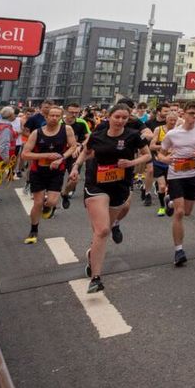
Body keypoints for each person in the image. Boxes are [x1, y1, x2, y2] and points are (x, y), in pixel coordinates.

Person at [70, 104, 150, 293]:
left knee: (104, 230)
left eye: (124, 117)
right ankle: (96, 278)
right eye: (117, 117)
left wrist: (131, 162)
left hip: (120, 185)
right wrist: (75, 167)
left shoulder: (132, 136)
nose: (120, 120)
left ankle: (93, 253)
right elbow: (86, 153)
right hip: (96, 184)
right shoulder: (98, 134)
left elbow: (147, 156)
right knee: (103, 230)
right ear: (109, 116)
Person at [158, 101, 195, 267]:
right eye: (191, 113)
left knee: (188, 211)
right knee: (180, 212)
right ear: (183, 114)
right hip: (176, 175)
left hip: (194, 175)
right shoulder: (172, 134)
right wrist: (166, 159)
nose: (194, 116)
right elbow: (160, 156)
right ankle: (179, 251)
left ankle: (169, 201)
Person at [21, 106, 76, 244]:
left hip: (57, 171)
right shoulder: (37, 133)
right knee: (37, 202)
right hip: (38, 171)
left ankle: (48, 207)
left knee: (52, 201)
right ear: (46, 117)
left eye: (58, 116)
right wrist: (46, 155)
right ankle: (33, 230)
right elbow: (25, 154)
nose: (54, 118)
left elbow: (73, 146)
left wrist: (61, 158)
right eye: (52, 115)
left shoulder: (67, 130)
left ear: (61, 117)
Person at [60, 102, 92, 210]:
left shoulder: (82, 122)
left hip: (76, 154)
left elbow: (89, 137)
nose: (74, 115)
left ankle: (65, 193)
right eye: (71, 112)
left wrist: (80, 146)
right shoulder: (59, 122)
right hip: (61, 153)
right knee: (57, 178)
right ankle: (52, 201)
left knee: (74, 178)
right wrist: (71, 145)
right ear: (65, 112)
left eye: (76, 113)